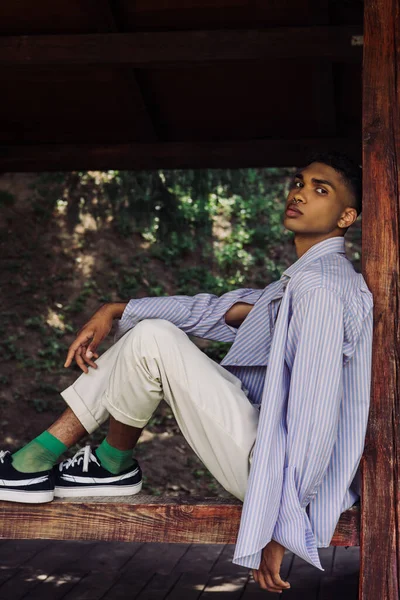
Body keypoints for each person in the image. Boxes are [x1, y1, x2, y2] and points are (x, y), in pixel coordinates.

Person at [0, 150, 373, 594]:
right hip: (269, 455)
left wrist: (280, 524)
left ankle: (43, 463)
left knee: (154, 338)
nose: (299, 193)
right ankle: (108, 465)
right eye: (298, 182)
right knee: (150, 335)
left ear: (347, 216)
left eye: (320, 189)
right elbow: (217, 311)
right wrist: (117, 309)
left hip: (278, 477)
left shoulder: (323, 289)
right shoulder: (303, 281)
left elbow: (316, 417)